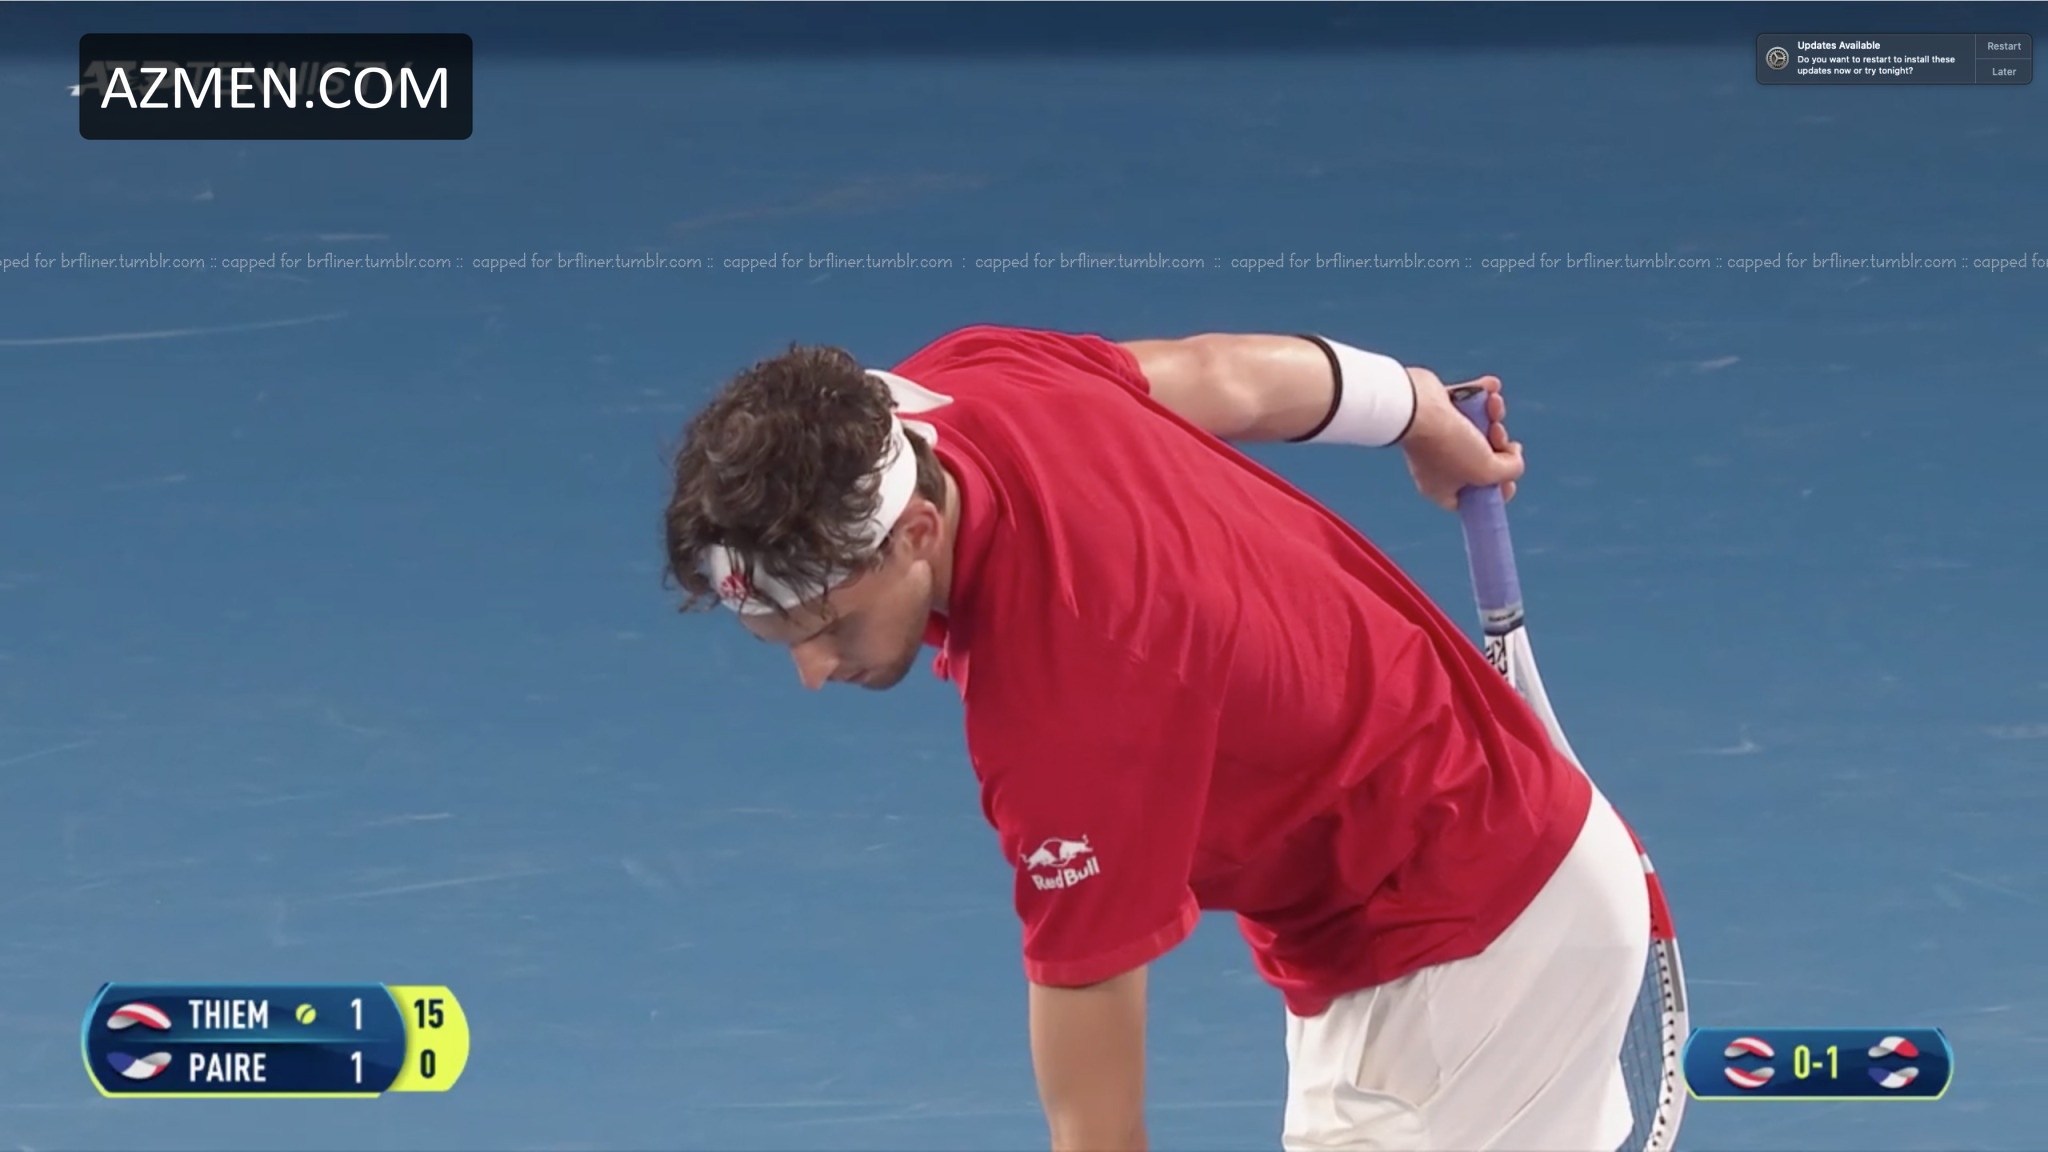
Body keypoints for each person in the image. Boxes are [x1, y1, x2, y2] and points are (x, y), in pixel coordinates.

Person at [661, 325, 1651, 1152]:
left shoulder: (1067, 710)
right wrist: (1419, 408)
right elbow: (1224, 375)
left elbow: (1096, 1125)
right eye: (778, 637)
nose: (813, 670)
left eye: (831, 626)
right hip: (1447, 896)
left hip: (1470, 956)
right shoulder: (961, 391)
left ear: (916, 531)